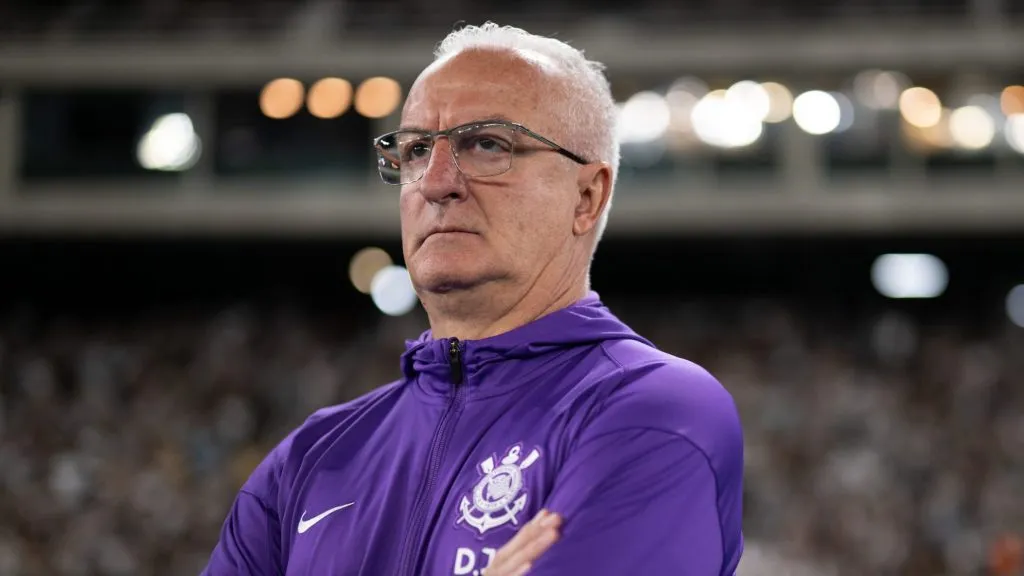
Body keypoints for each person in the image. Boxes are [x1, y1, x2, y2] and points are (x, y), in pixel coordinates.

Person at [202, 22, 744, 576]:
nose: (435, 182)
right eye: (415, 150)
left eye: (487, 144)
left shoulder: (656, 411)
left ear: (587, 196)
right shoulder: (312, 456)